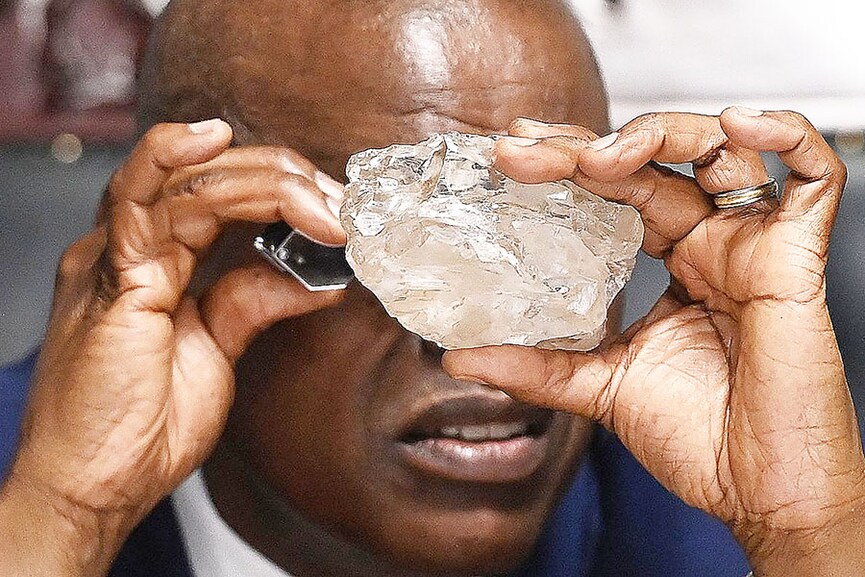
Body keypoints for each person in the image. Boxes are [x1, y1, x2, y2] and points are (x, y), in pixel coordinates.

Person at [1, 0, 864, 576]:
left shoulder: (714, 521)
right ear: (181, 253)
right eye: (373, 241)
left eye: (543, 232)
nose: (476, 345)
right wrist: (66, 519)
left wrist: (803, 538)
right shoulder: (33, 490)